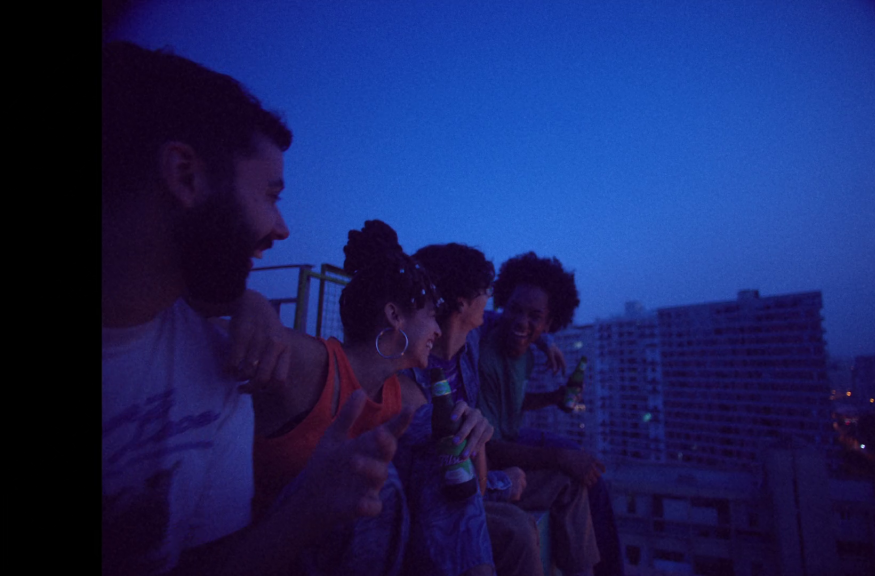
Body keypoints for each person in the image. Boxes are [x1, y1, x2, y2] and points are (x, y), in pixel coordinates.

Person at [102, 42, 412, 576]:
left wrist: (307, 508)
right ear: (186, 176)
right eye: (271, 195)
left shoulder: (220, 369)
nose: (282, 228)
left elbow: (209, 563)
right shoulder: (253, 359)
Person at [239, 221, 497, 576]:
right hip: (268, 551)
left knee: (433, 451)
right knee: (373, 477)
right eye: (431, 317)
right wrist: (247, 300)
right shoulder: (310, 365)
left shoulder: (408, 397)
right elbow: (215, 337)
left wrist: (472, 435)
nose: (438, 330)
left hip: (357, 550)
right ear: (394, 316)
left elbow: (464, 494)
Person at [397, 243, 545, 576]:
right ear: (462, 303)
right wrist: (500, 483)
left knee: (564, 479)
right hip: (433, 501)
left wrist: (546, 341)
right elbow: (439, 478)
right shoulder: (409, 372)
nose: (490, 298)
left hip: (475, 474)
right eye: (485, 291)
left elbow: (504, 320)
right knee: (519, 531)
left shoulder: (471, 340)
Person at [478, 252, 625, 576]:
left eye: (534, 316)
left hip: (509, 444)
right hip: (491, 465)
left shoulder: (526, 356)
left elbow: (511, 402)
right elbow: (489, 448)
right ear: (503, 305)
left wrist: (555, 398)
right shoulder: (486, 355)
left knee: (582, 475)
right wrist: (559, 458)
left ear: (548, 324)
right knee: (571, 463)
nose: (521, 322)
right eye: (515, 309)